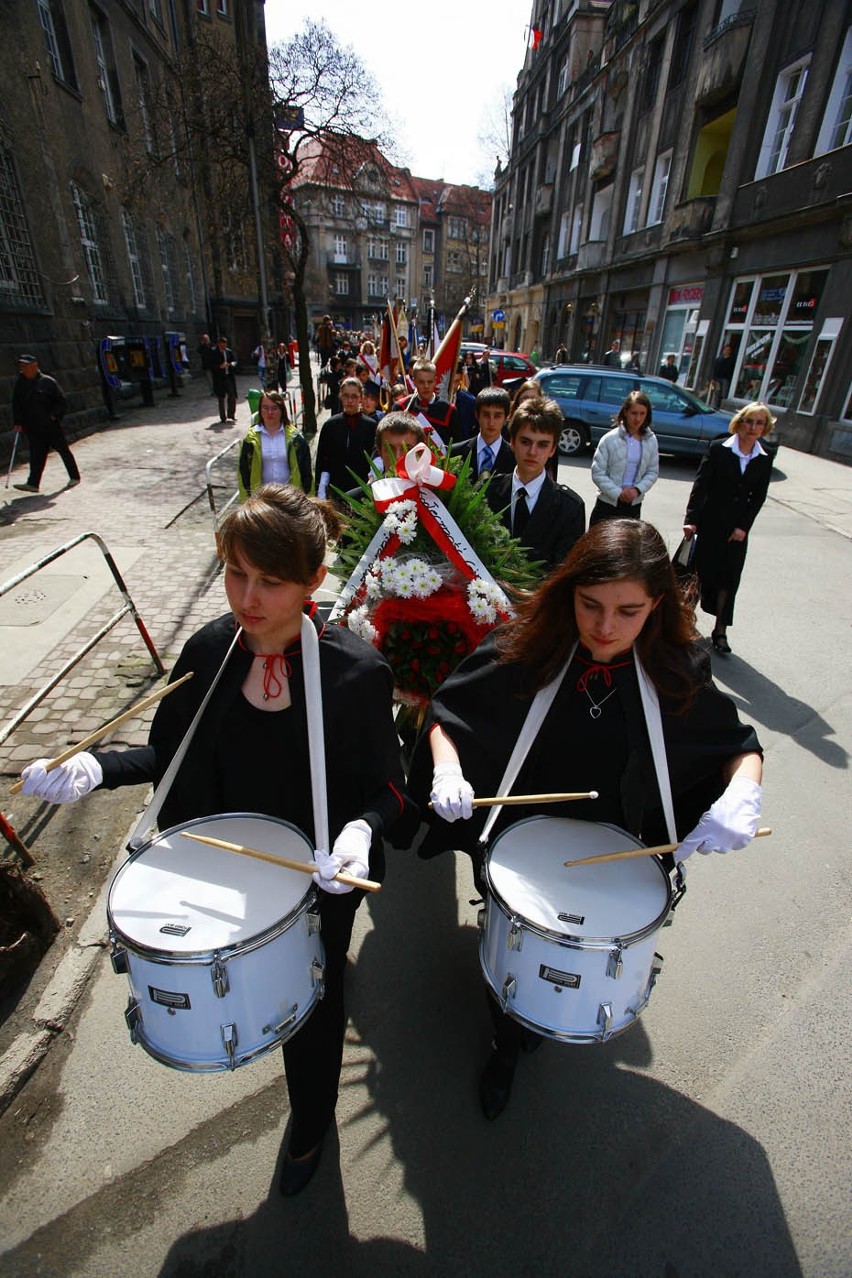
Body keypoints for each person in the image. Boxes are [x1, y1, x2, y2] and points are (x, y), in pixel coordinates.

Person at [19, 484, 414, 1195]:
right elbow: (168, 758)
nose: (247, 597)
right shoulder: (208, 650)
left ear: (313, 582)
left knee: (317, 1012)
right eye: (236, 572)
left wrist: (361, 829)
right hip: (220, 871)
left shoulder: (355, 672)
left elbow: (390, 787)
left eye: (270, 580)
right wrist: (94, 767)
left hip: (321, 875)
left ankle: (310, 1119)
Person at [411, 519, 764, 1119]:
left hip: (619, 848)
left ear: (657, 604)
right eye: (590, 605)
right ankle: (505, 1041)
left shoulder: (678, 666)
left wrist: (743, 793)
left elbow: (740, 744)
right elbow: (447, 713)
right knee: (516, 955)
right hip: (520, 843)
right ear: (568, 592)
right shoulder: (526, 646)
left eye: (628, 611)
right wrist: (448, 769)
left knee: (576, 955)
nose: (604, 628)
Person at [682, 402, 774, 655]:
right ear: (739, 422)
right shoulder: (719, 449)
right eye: (750, 421)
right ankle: (682, 625)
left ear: (765, 427)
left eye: (759, 423)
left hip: (737, 531)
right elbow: (701, 486)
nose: (753, 427)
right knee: (697, 576)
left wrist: (743, 527)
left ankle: (720, 631)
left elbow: (758, 497)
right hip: (710, 523)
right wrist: (691, 518)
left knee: (728, 581)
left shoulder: (764, 457)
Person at [485, 397, 585, 574]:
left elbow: (565, 572)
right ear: (513, 442)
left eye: (542, 445)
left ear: (553, 449)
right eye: (525, 442)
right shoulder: (487, 491)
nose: (532, 452)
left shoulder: (570, 507)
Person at [12, 354, 80, 493]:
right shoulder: (20, 383)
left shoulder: (48, 382)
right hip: (32, 427)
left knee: (63, 450)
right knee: (36, 455)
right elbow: (16, 404)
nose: (23, 369)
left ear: (35, 366)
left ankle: (74, 476)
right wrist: (18, 422)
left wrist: (54, 416)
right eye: (22, 366)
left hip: (50, 426)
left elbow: (62, 402)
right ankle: (33, 484)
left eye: (26, 366)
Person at [589, 390, 659, 525]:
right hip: (608, 504)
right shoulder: (609, 439)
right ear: (626, 412)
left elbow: (652, 472)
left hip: (633, 505)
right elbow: (598, 472)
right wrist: (618, 493)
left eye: (642, 414)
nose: (637, 418)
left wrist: (637, 490)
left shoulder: (651, 440)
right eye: (634, 413)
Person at [237, 391, 312, 500]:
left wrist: (307, 497)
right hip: (262, 499)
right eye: (265, 408)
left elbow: (307, 472)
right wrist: (246, 500)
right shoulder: (250, 439)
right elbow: (243, 471)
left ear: (282, 410)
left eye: (274, 408)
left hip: (290, 498)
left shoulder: (296, 438)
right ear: (260, 410)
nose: (270, 412)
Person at [315, 377, 377, 501]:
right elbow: (322, 461)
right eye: (346, 396)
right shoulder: (330, 425)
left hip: (362, 493)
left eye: (354, 396)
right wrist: (321, 490)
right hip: (336, 491)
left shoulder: (371, 426)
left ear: (361, 397)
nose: (350, 401)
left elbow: (375, 459)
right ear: (340, 396)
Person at [450, 386, 514, 479]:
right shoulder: (456, 453)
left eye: (497, 416)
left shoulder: (515, 457)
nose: (491, 422)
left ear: (506, 417)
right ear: (477, 415)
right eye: (486, 415)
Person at [401, 358, 463, 451]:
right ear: (414, 381)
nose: (426, 386)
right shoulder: (402, 407)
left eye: (430, 382)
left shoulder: (448, 410)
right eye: (421, 382)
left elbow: (457, 447)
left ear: (435, 380)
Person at [211, 337, 238, 422]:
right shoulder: (214, 352)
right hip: (219, 378)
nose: (224, 347)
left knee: (232, 395)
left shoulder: (228, 352)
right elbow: (210, 365)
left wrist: (233, 364)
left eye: (225, 345)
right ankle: (223, 417)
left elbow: (234, 360)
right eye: (222, 345)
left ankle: (231, 414)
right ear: (219, 344)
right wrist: (219, 366)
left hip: (228, 376)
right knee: (221, 397)